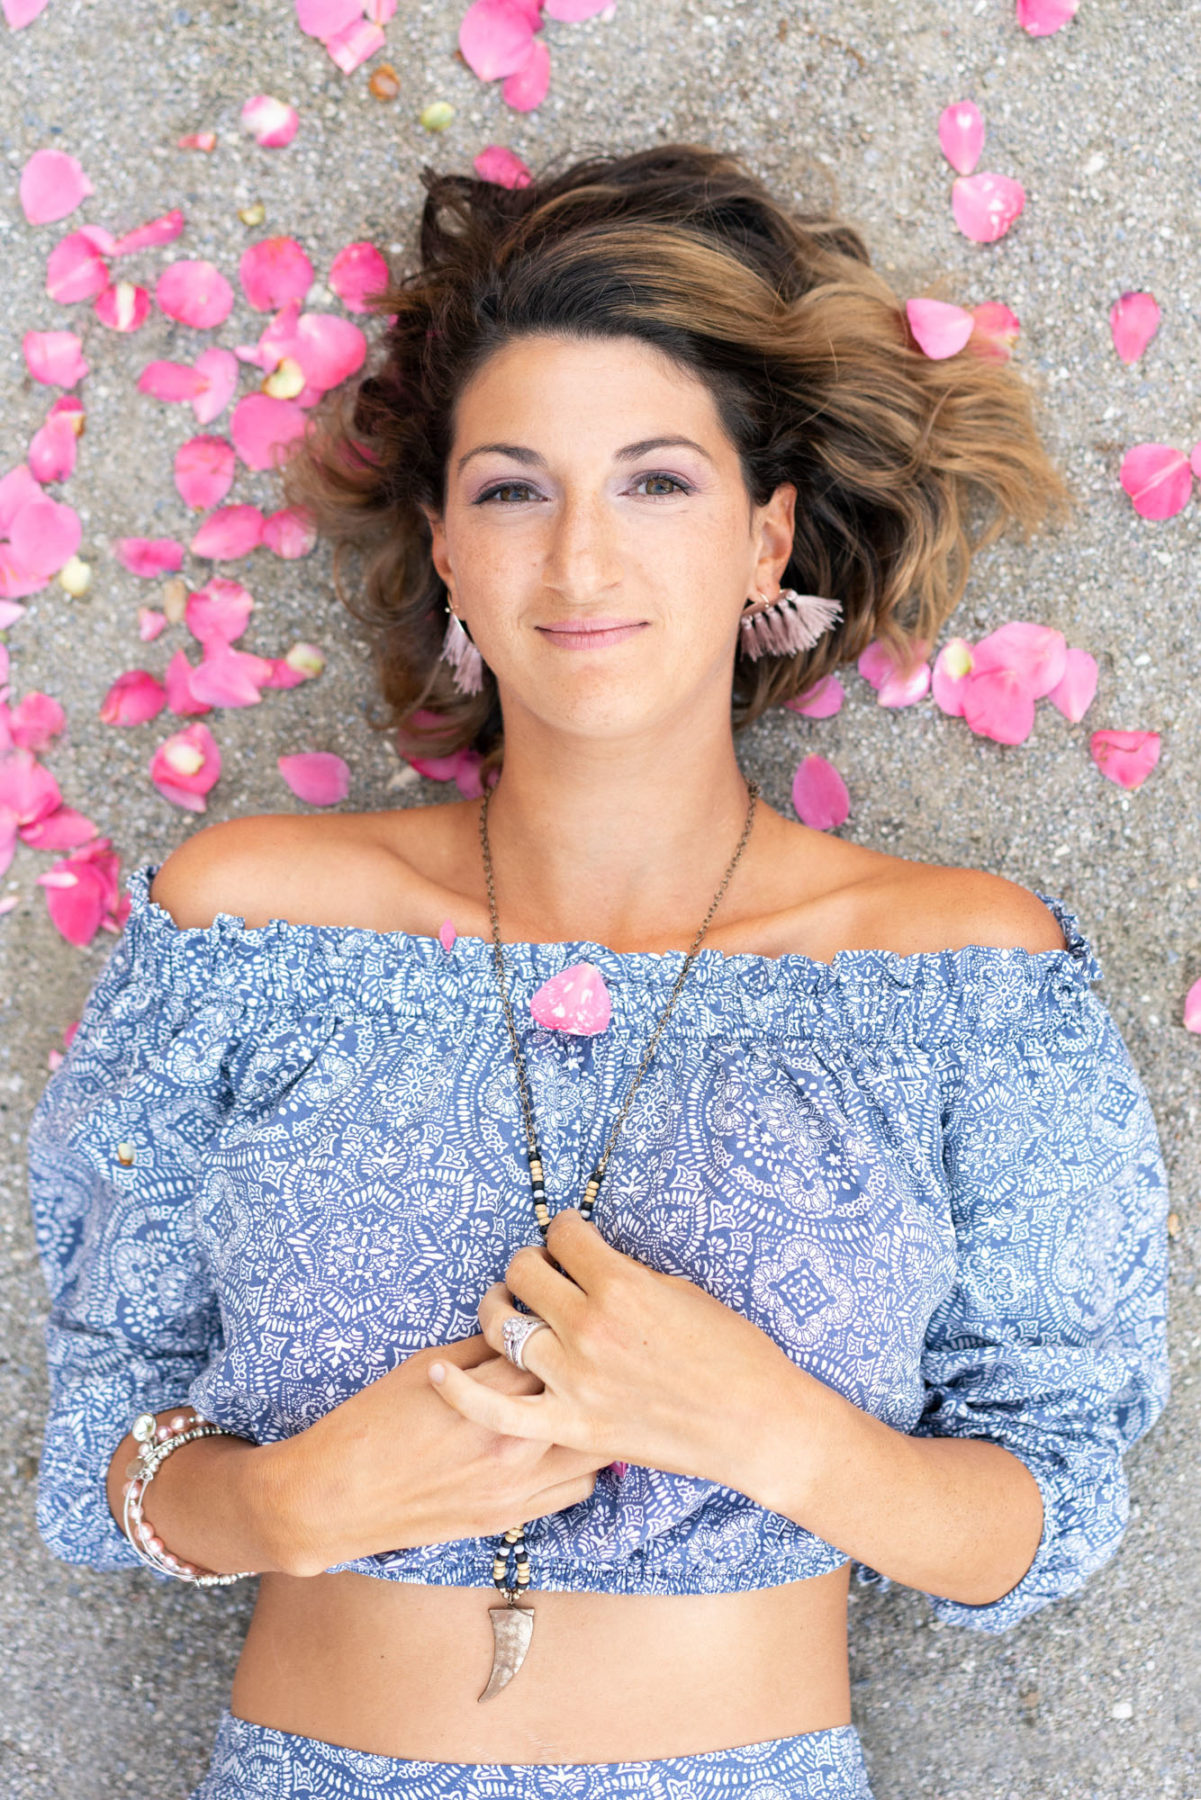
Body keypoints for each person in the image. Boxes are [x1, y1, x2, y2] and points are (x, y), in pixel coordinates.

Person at [27, 146, 1170, 1800]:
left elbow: (1043, 1517)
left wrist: (763, 1427)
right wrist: (289, 1505)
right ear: (445, 548)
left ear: (765, 534)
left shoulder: (963, 976)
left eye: (653, 482)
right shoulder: (245, 926)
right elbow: (108, 1441)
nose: (578, 558)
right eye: (511, 488)